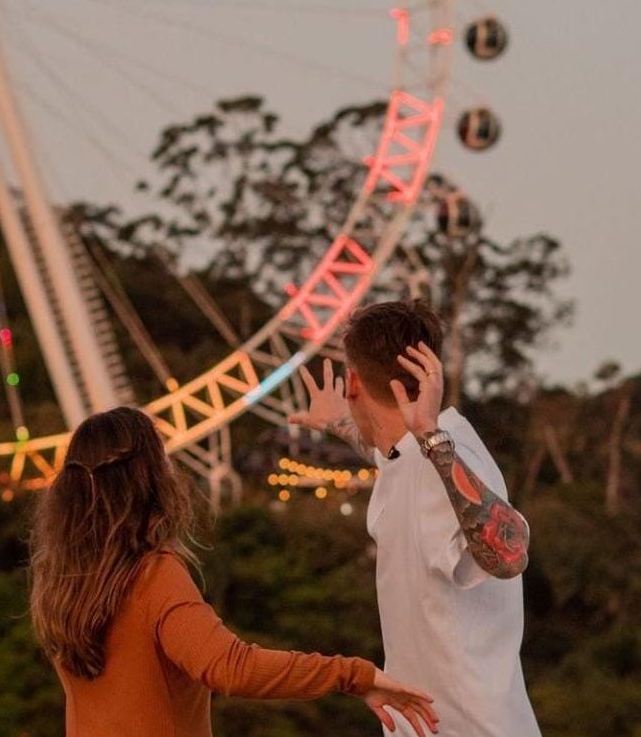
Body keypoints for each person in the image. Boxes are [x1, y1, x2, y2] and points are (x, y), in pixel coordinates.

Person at [29, 406, 439, 737]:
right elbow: (231, 667)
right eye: (164, 459)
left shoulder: (62, 585)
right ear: (147, 480)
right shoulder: (152, 576)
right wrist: (355, 675)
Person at [289, 299, 542, 737]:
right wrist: (338, 425)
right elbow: (391, 458)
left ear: (353, 382)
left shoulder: (444, 452)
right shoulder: (412, 453)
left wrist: (431, 436)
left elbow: (511, 555)